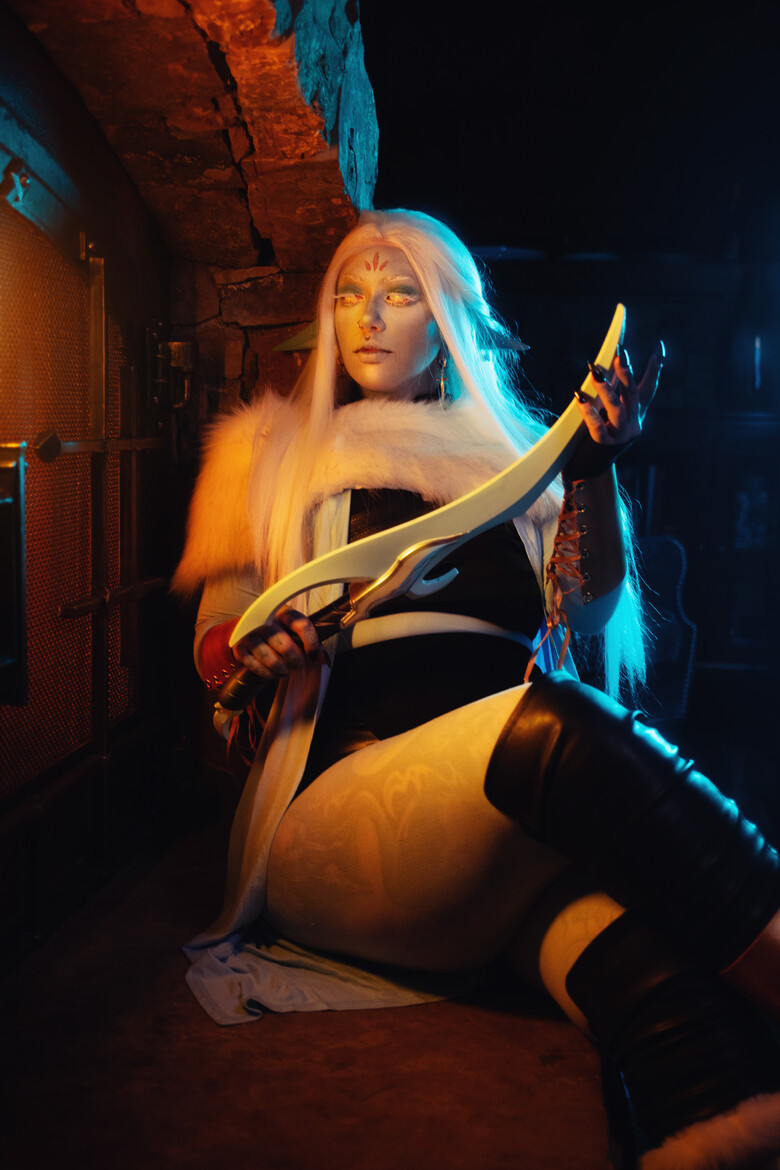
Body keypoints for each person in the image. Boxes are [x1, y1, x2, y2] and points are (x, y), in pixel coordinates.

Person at [173, 210, 780, 1169]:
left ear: (449, 318)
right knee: (559, 726)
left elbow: (586, 614)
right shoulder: (272, 454)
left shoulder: (513, 461)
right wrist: (254, 647)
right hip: (339, 827)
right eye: (349, 295)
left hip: (498, 856)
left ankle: (725, 1140)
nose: (369, 316)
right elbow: (215, 643)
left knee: (659, 976)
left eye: (400, 293)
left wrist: (591, 467)